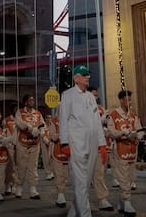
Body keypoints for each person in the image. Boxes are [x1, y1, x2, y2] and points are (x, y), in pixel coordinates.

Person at [59, 65, 103, 217]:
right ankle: (85, 214)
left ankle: (74, 211)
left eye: (88, 75)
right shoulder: (67, 95)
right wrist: (64, 143)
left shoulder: (91, 97)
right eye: (84, 75)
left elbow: (97, 121)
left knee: (85, 181)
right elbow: (63, 119)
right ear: (76, 78)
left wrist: (102, 144)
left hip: (92, 143)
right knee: (80, 181)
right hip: (76, 143)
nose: (87, 77)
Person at [106, 89, 142, 214]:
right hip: (120, 149)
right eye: (127, 99)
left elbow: (139, 129)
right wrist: (122, 132)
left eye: (130, 99)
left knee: (131, 177)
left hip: (132, 150)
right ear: (121, 100)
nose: (129, 101)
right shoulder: (114, 115)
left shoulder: (133, 115)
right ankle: (127, 202)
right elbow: (110, 132)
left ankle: (122, 202)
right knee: (123, 177)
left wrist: (139, 135)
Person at [14, 94, 45, 199]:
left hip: (34, 144)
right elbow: (19, 123)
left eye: (33, 100)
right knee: (21, 167)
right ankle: (19, 188)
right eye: (30, 100)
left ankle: (33, 189)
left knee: (33, 167)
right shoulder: (20, 112)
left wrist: (41, 132)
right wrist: (31, 129)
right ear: (25, 102)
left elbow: (43, 125)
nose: (32, 101)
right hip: (22, 143)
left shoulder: (37, 113)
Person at [89, 87, 114, 211]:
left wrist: (109, 129)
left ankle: (102, 199)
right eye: (93, 95)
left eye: (96, 95)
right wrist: (102, 118)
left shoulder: (101, 108)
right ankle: (81, 200)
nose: (96, 97)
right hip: (85, 146)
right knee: (83, 176)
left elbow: (104, 125)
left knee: (99, 173)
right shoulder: (83, 107)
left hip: (99, 145)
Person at [45, 111, 71, 206]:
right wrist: (62, 134)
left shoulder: (71, 120)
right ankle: (60, 195)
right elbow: (52, 136)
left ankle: (62, 192)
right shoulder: (53, 121)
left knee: (65, 175)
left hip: (68, 152)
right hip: (56, 150)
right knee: (59, 174)